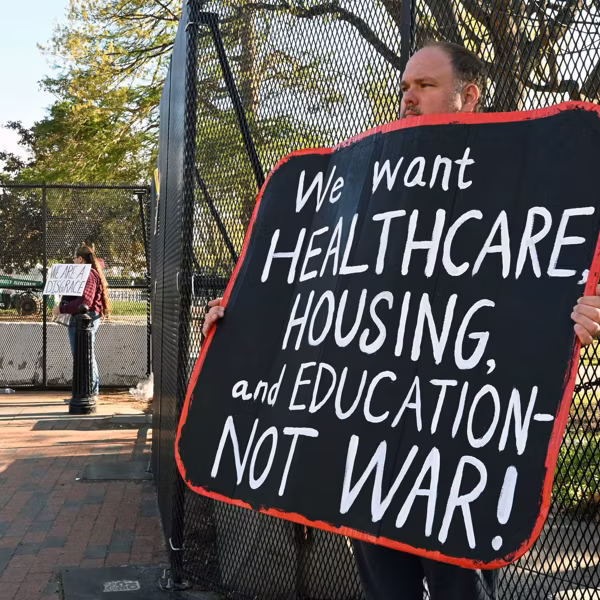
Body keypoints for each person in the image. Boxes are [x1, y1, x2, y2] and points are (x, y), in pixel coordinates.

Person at [201, 41, 600, 599]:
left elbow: (533, 296)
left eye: (425, 85)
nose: (407, 96)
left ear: (469, 97)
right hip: (366, 441)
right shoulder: (371, 184)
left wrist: (578, 320)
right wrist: (241, 322)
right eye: (406, 85)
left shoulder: (523, 188)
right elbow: (315, 296)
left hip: (457, 453)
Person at [52, 244, 110, 399]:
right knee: (83, 354)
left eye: (74, 259)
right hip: (83, 318)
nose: (73, 262)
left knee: (84, 354)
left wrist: (61, 310)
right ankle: (88, 391)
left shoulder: (89, 274)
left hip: (86, 318)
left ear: (81, 259)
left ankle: (89, 392)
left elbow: (85, 301)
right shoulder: (86, 274)